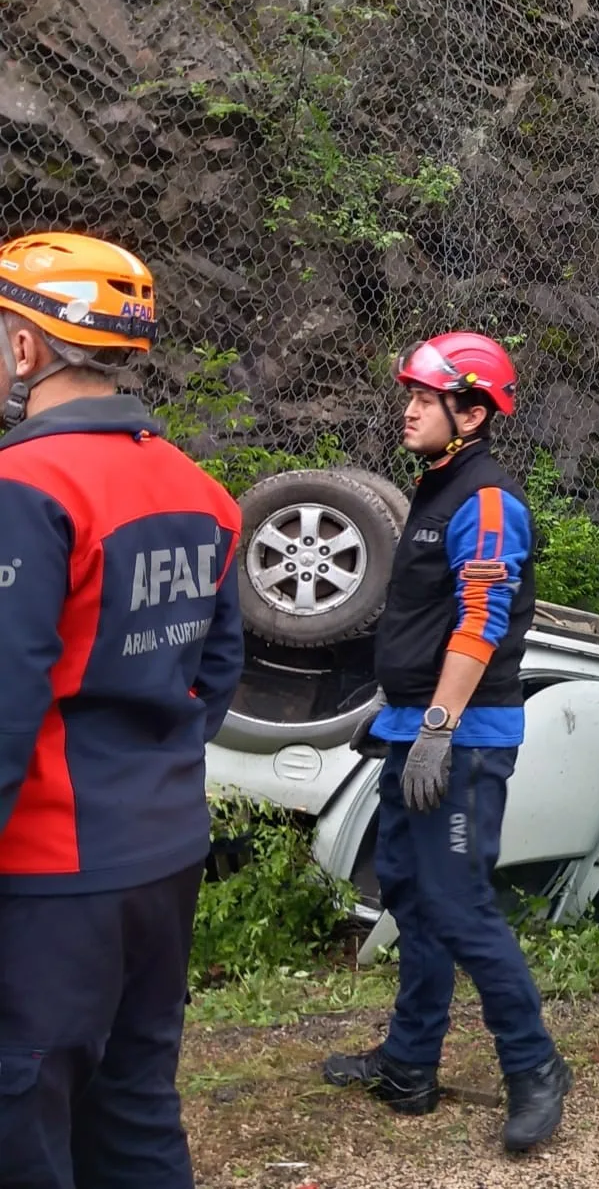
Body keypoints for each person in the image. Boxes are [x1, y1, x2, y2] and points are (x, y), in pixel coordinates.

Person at [0, 232, 244, 1189]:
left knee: (22, 1124)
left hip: (50, 872)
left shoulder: (24, 489)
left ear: (27, 348)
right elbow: (214, 679)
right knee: (137, 1109)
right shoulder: (201, 490)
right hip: (163, 855)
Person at [320, 331, 571, 1153]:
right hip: (415, 726)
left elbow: (480, 620)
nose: (409, 408)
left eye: (425, 398)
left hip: (461, 737)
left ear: (472, 410)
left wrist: (435, 727)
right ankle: (409, 1063)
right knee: (410, 892)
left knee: (459, 905)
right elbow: (425, 624)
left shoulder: (489, 500)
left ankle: (535, 1068)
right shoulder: (436, 488)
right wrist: (397, 713)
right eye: (413, 396)